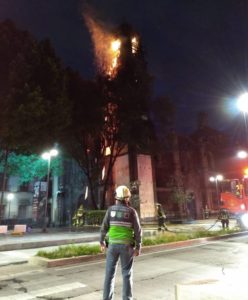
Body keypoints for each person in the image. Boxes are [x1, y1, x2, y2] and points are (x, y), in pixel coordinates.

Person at [100, 185, 142, 300]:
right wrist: (138, 246)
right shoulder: (132, 212)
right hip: (127, 246)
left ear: (116, 197)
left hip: (112, 245)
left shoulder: (110, 210)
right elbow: (138, 231)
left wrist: (102, 242)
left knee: (109, 274)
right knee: (126, 274)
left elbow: (104, 227)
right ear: (127, 198)